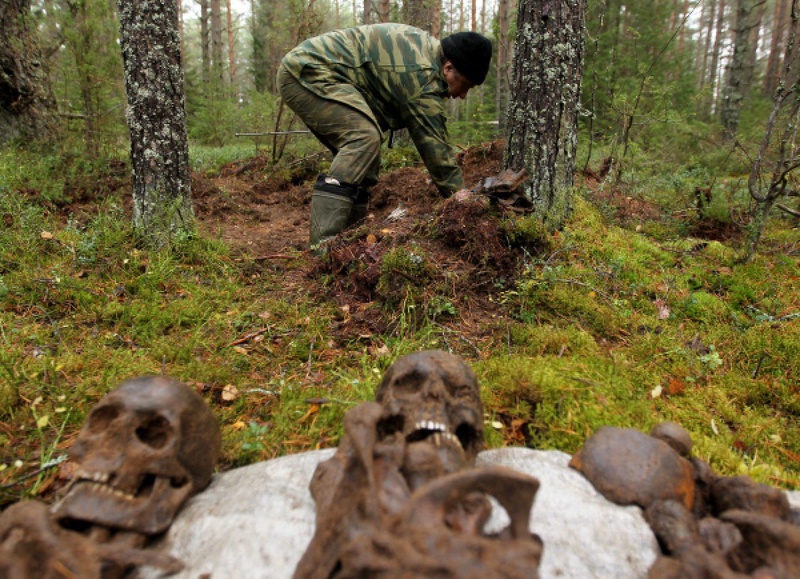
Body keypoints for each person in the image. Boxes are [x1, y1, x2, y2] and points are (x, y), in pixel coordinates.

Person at [277, 23, 492, 248]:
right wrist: (459, 196)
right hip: (306, 72)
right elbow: (434, 146)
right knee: (362, 138)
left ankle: (349, 242)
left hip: (322, 72)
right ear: (448, 68)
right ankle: (324, 247)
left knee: (365, 158)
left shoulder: (425, 53)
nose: (463, 95)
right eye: (465, 85)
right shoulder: (423, 76)